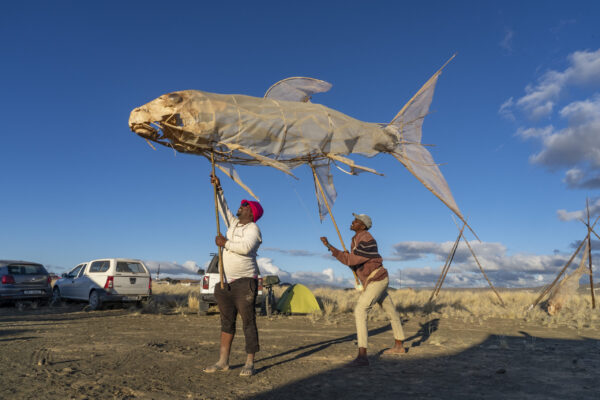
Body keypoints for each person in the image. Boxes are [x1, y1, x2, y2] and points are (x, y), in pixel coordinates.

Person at [320, 213, 406, 367]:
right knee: (391, 311)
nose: (352, 222)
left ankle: (362, 356)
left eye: (356, 220)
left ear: (363, 225)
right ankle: (399, 346)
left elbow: (351, 260)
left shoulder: (367, 239)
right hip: (376, 279)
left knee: (360, 310)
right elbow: (353, 261)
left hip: (376, 279)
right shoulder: (356, 239)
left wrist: (331, 247)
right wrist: (345, 255)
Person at [204, 174, 264, 377]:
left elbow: (246, 248)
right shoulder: (233, 225)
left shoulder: (253, 228)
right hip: (225, 283)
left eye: (245, 205)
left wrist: (225, 243)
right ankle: (223, 361)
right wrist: (218, 188)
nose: (241, 206)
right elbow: (223, 208)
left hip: (245, 282)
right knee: (226, 322)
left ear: (251, 212)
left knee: (248, 322)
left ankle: (249, 363)